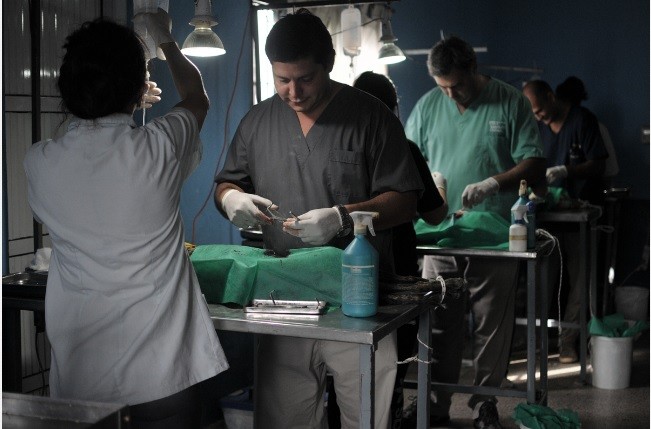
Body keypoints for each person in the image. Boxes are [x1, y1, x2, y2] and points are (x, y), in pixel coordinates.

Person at [214, 9, 423, 429]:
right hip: (282, 297)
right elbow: (226, 182)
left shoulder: (371, 117)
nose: (293, 91)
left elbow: (405, 200)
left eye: (305, 79)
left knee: (366, 418)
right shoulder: (258, 122)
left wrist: (343, 218)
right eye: (282, 79)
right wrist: (230, 198)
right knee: (286, 418)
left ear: (328, 63)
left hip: (360, 297)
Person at [23, 11, 228, 428]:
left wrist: (119, 102)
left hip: (82, 381)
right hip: (164, 374)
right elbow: (197, 96)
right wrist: (165, 38)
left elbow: (79, 142)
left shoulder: (39, 162)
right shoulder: (159, 146)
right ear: (137, 90)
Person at [404, 36, 546, 428]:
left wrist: (494, 183)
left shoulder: (510, 102)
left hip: (494, 232)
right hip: (440, 233)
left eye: (458, 85)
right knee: (439, 321)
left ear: (473, 69)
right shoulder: (428, 107)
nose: (451, 95)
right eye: (442, 87)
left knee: (491, 323)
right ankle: (434, 403)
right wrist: (426, 183)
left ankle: (486, 402)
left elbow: (534, 161)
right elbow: (409, 159)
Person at [352, 71, 447, 428]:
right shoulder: (404, 148)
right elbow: (435, 214)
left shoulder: (342, 148)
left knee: (347, 367)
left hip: (346, 268)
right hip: (396, 272)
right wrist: (438, 187)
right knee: (392, 362)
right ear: (394, 108)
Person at [523, 79, 609, 363]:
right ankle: (537, 343)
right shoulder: (540, 129)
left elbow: (599, 164)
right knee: (542, 279)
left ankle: (568, 342)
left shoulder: (582, 121)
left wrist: (566, 171)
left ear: (551, 96)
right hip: (548, 216)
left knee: (580, 281)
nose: (538, 117)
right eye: (533, 114)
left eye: (539, 110)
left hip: (580, 215)